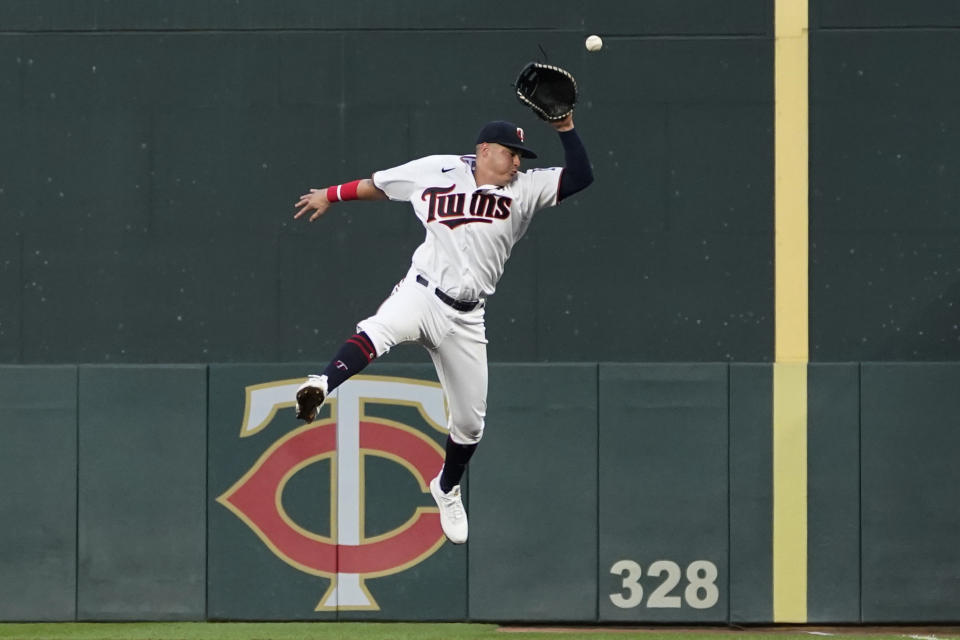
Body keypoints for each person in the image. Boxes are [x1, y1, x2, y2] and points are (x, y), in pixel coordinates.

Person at [292, 111, 593, 544]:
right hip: (423, 292)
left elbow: (581, 176)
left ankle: (446, 487)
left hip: (468, 317)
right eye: (511, 154)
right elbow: (379, 185)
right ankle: (321, 385)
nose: (517, 165)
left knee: (471, 424)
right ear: (485, 150)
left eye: (521, 158)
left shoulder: (525, 190)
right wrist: (330, 195)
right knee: (379, 329)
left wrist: (566, 128)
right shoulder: (436, 170)